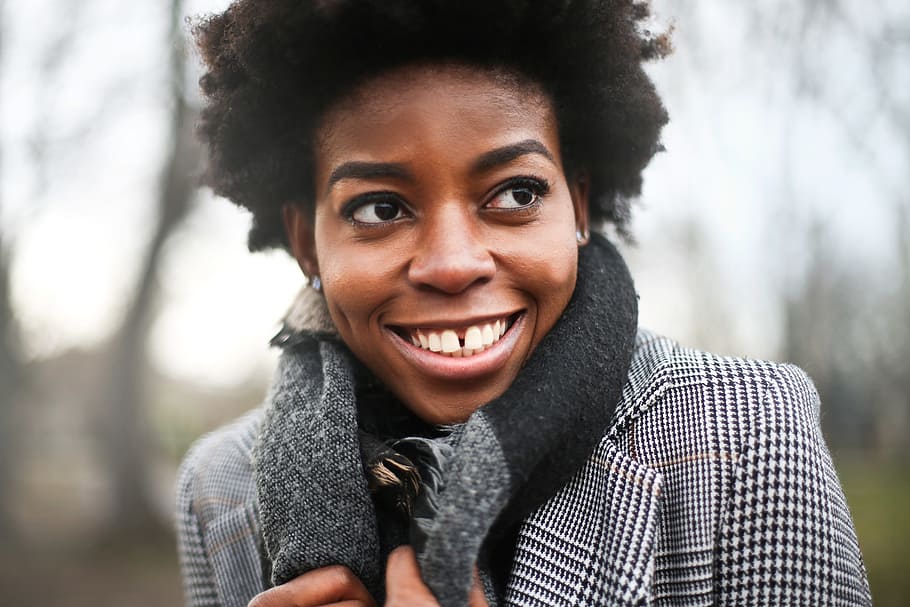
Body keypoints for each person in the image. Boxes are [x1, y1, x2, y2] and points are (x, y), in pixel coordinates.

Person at [176, 1, 871, 606]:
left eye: (516, 193)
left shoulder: (749, 435)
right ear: (306, 242)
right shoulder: (219, 487)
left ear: (579, 201)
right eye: (381, 206)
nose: (452, 263)